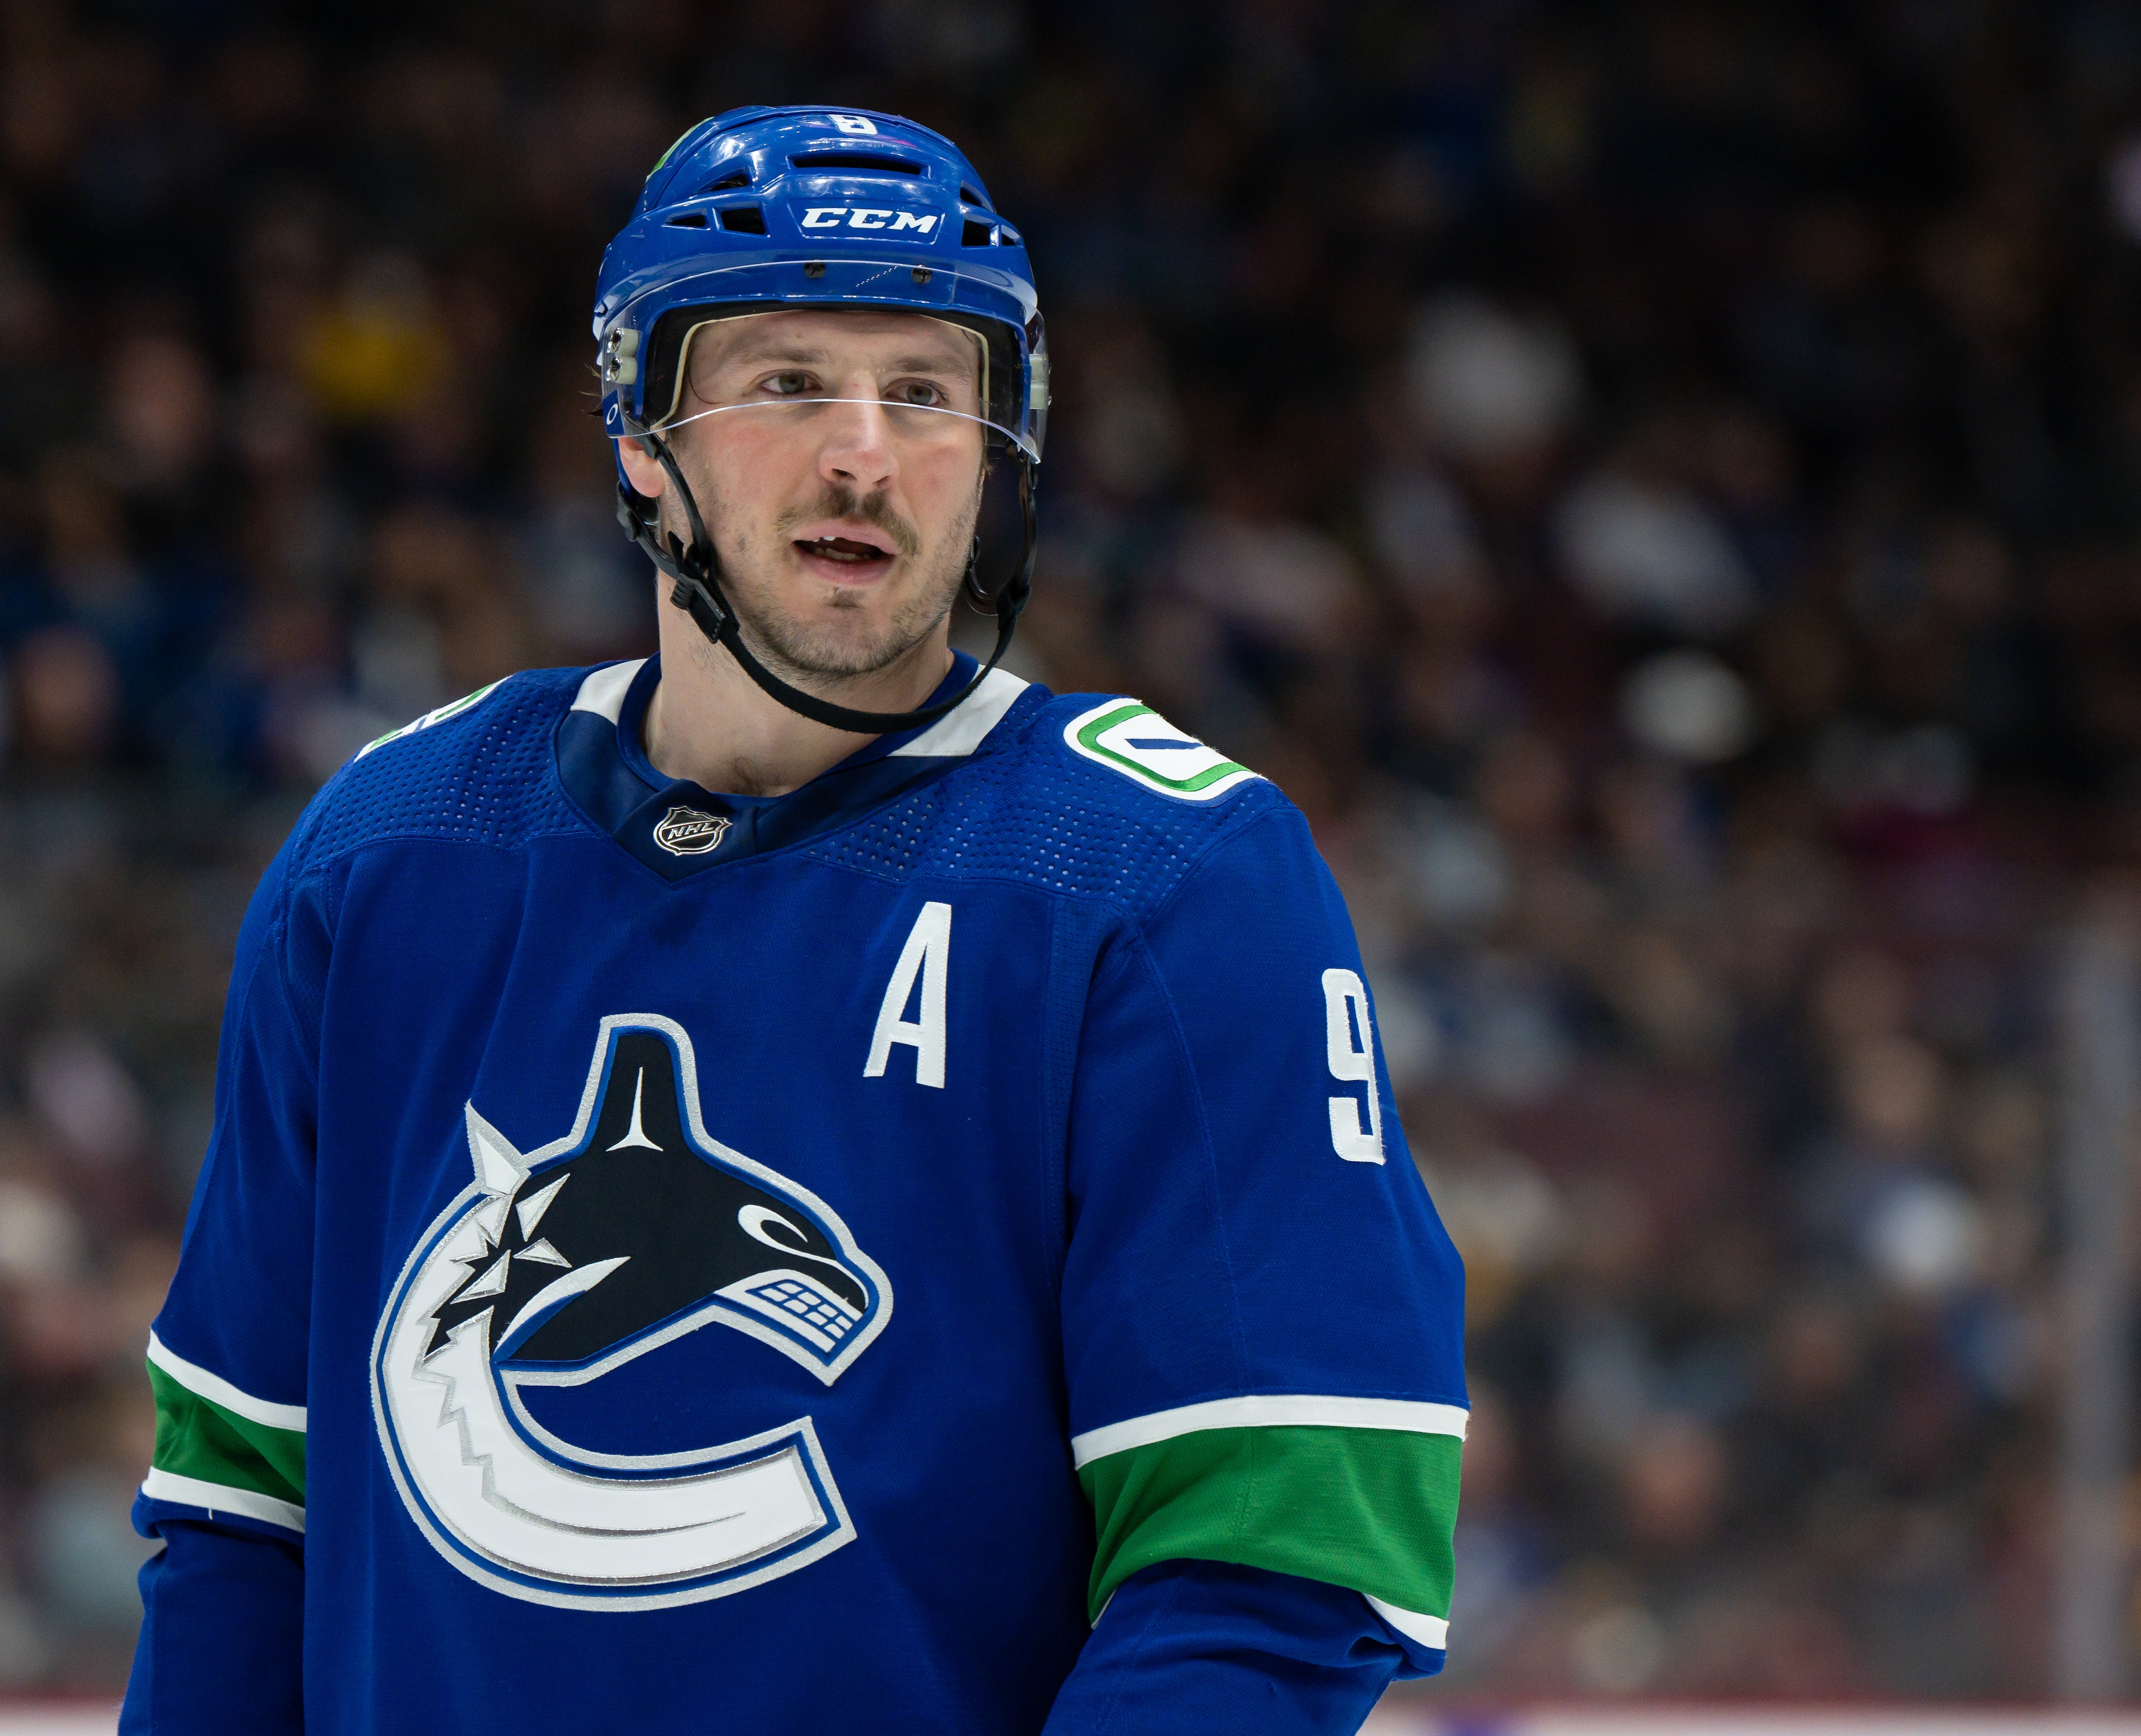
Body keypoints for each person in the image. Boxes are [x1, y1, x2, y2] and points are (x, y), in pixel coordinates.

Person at [121, 106, 1465, 1734]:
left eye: (926, 392)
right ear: (638, 431)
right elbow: (243, 1515)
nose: (865, 454)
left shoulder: (1172, 882)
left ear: (1001, 454)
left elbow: (1274, 1571)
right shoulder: (390, 854)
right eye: (787, 382)